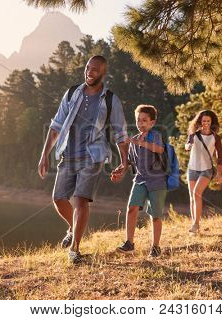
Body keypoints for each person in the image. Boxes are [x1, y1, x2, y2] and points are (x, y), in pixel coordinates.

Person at [38, 55, 129, 264]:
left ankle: (74, 250)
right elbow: (56, 125)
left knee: (80, 200)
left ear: (103, 73)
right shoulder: (72, 92)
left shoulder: (110, 100)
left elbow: (120, 133)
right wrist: (44, 155)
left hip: (93, 155)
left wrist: (124, 162)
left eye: (95, 69)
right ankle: (73, 228)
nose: (89, 72)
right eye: (88, 67)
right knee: (59, 198)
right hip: (68, 154)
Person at [114, 105, 167, 258]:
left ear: (152, 123)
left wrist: (142, 143)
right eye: (138, 120)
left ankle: (155, 247)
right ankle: (129, 243)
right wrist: (120, 169)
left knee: (155, 215)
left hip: (157, 181)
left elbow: (160, 149)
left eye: (144, 120)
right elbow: (130, 161)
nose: (141, 123)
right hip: (140, 179)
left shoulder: (155, 135)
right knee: (132, 208)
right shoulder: (134, 139)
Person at [184, 110, 222, 234]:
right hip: (192, 169)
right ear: (200, 121)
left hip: (206, 170)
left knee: (196, 194)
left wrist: (219, 172)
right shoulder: (194, 135)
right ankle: (194, 224)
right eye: (204, 121)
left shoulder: (215, 137)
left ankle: (196, 224)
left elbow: (220, 156)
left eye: (208, 121)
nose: (206, 123)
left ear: (212, 122)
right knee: (192, 197)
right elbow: (187, 145)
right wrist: (188, 146)